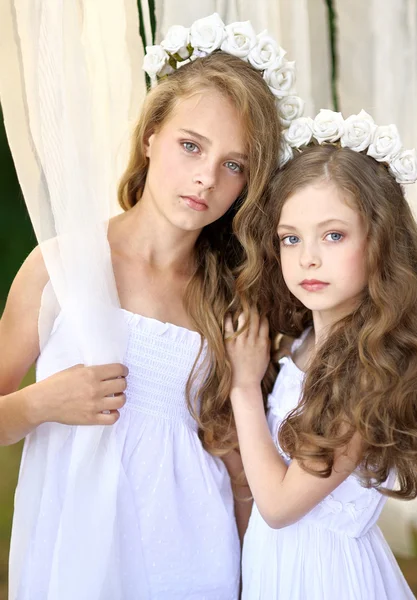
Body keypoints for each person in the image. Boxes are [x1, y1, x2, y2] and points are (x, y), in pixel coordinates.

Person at [0, 13, 303, 598]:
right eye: (191, 146)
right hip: (77, 561)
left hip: (194, 565)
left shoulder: (231, 300)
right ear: (150, 135)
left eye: (233, 164)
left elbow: (241, 468)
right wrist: (40, 404)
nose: (205, 178)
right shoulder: (61, 267)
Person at [225, 110, 417, 599]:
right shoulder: (299, 345)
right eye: (291, 238)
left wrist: (242, 387)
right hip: (275, 570)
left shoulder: (368, 367)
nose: (308, 258)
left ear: (379, 241)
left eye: (333, 235)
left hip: (325, 578)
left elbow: (278, 506)